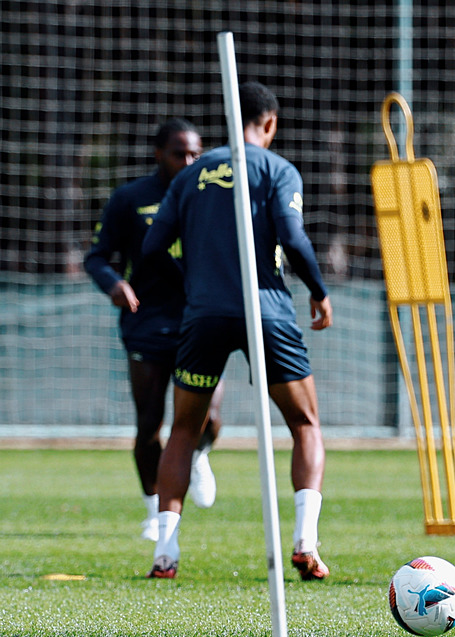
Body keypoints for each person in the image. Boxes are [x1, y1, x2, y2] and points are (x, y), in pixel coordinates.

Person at [141, 81, 333, 581]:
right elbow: (292, 237)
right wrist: (318, 289)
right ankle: (306, 542)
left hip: (204, 314)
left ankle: (165, 551)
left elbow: (154, 245)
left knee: (182, 428)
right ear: (268, 123)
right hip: (266, 311)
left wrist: (195, 281)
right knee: (305, 424)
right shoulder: (277, 169)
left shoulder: (192, 174)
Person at [85, 118, 224, 543]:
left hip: (199, 321)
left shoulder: (210, 195)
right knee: (149, 425)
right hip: (147, 323)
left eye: (195, 153)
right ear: (158, 154)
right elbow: (97, 257)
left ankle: (197, 454)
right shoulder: (130, 199)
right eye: (179, 153)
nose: (189, 161)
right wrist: (115, 284)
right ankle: (152, 511)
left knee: (211, 419)